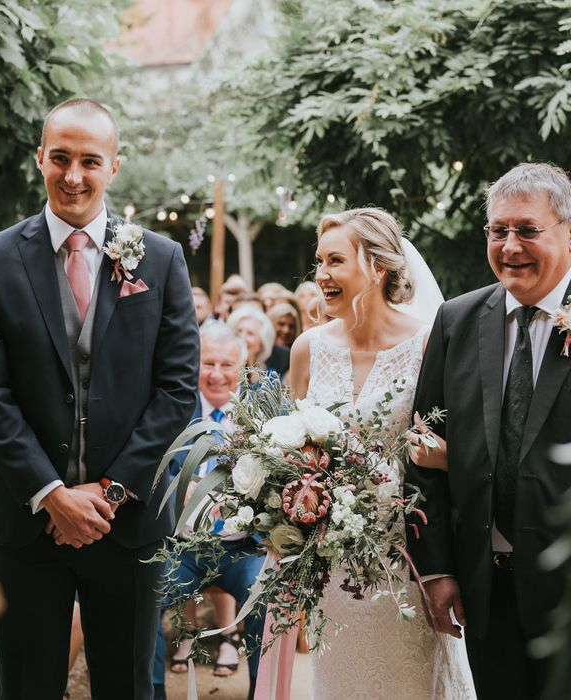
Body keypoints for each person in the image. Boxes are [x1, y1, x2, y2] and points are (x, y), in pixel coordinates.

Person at [0, 98, 200, 700]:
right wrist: (52, 495)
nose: (73, 175)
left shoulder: (163, 259)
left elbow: (176, 389)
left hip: (128, 524)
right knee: (27, 687)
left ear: (113, 167)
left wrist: (111, 491)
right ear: (40, 159)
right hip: (23, 521)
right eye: (60, 158)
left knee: (126, 687)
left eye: (89, 161)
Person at [288, 207, 474, 698]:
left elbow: (462, 450)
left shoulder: (429, 342)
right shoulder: (307, 348)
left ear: (377, 266)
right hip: (333, 563)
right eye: (319, 262)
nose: (321, 276)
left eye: (335, 261)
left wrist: (444, 455)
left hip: (407, 560)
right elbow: (287, 455)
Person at [405, 162, 571, 699]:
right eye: (498, 231)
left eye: (527, 229)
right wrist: (435, 569)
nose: (509, 245)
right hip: (486, 585)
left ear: (568, 232)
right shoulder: (457, 319)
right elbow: (421, 447)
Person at [160, 322, 264, 700]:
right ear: (194, 364)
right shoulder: (172, 406)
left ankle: (262, 691)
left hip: (243, 547)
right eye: (208, 363)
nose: (217, 374)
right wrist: (178, 486)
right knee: (141, 594)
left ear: (243, 366)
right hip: (181, 546)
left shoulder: (263, 413)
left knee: (263, 595)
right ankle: (151, 692)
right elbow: (155, 465)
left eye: (226, 364)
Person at [226, 306, 288, 376]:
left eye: (250, 333)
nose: (242, 337)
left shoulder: (269, 379)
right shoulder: (222, 372)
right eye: (239, 331)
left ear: (261, 344)